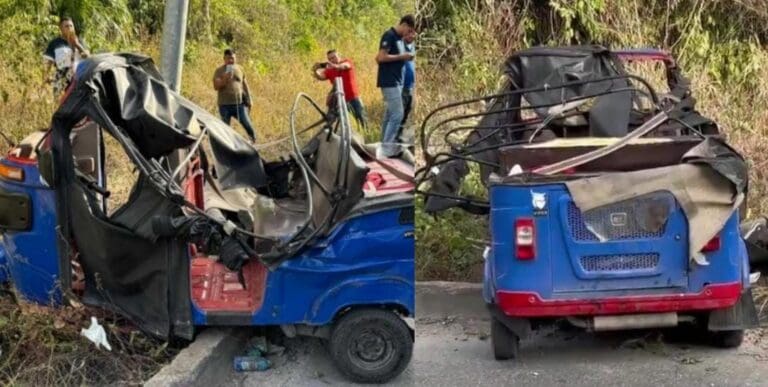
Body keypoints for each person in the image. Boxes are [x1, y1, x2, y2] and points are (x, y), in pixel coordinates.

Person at [375, 15, 417, 158]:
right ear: (403, 25)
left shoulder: (399, 39)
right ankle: (387, 148)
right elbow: (380, 57)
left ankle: (384, 144)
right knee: (398, 114)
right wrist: (402, 57)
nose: (409, 34)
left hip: (398, 81)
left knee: (389, 114)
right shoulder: (390, 35)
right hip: (389, 81)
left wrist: (406, 56)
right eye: (409, 30)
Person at [312, 49, 368, 130]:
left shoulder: (347, 62)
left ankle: (367, 135)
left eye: (334, 57)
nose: (332, 60)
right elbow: (321, 76)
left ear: (339, 56)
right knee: (340, 122)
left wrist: (334, 66)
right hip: (340, 100)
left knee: (361, 119)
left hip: (353, 98)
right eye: (330, 59)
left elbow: (345, 66)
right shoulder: (329, 70)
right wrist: (315, 70)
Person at [213, 48, 257, 142]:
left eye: (232, 58)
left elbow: (245, 84)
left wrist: (250, 99)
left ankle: (253, 141)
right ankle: (227, 145)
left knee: (247, 124)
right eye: (228, 58)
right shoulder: (219, 71)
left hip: (239, 104)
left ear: (235, 58)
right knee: (225, 129)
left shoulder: (240, 68)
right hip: (224, 105)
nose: (230, 60)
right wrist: (225, 79)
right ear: (224, 58)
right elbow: (216, 87)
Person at [43, 16, 90, 98]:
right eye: (66, 26)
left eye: (71, 26)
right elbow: (47, 62)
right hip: (60, 78)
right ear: (61, 28)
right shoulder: (55, 43)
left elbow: (88, 57)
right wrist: (46, 77)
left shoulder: (80, 41)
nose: (69, 28)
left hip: (77, 78)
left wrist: (77, 45)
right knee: (60, 103)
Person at [398, 30, 416, 145]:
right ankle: (394, 137)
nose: (411, 35)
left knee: (406, 111)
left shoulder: (412, 46)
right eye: (408, 33)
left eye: (413, 33)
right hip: (401, 85)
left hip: (410, 85)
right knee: (399, 112)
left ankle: (399, 134)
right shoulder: (399, 45)